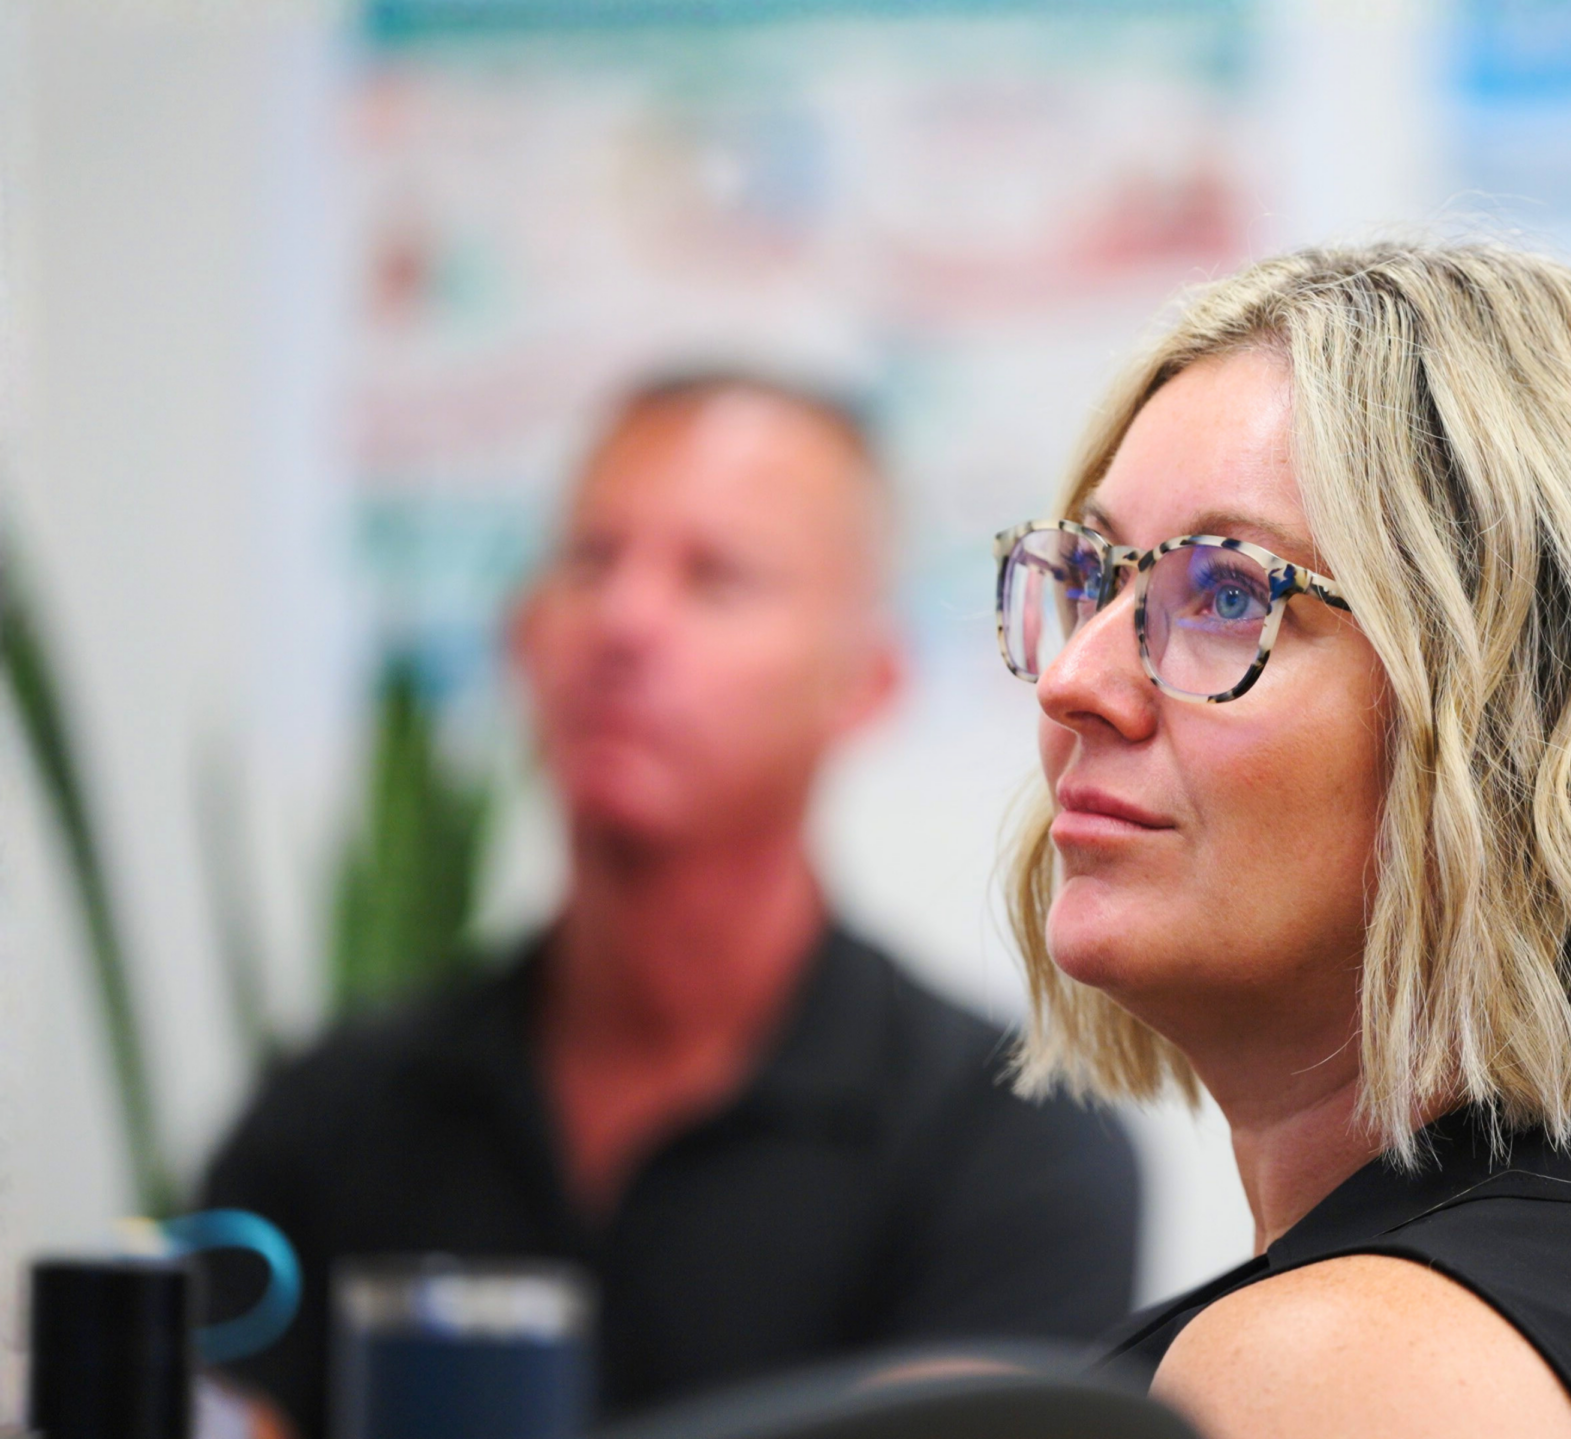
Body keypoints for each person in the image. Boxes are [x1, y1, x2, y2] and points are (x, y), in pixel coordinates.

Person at [989, 241, 1571, 1439]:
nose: (1077, 679)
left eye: (1229, 594)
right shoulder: (1554, 1295)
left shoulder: (1344, 1365)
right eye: (1093, 577)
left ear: (1516, 728)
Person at [201, 372, 1142, 1439]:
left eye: (715, 578)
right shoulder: (335, 1112)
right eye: (590, 561)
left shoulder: (1010, 1147)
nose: (623, 621)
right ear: (524, 631)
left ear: (865, 680)